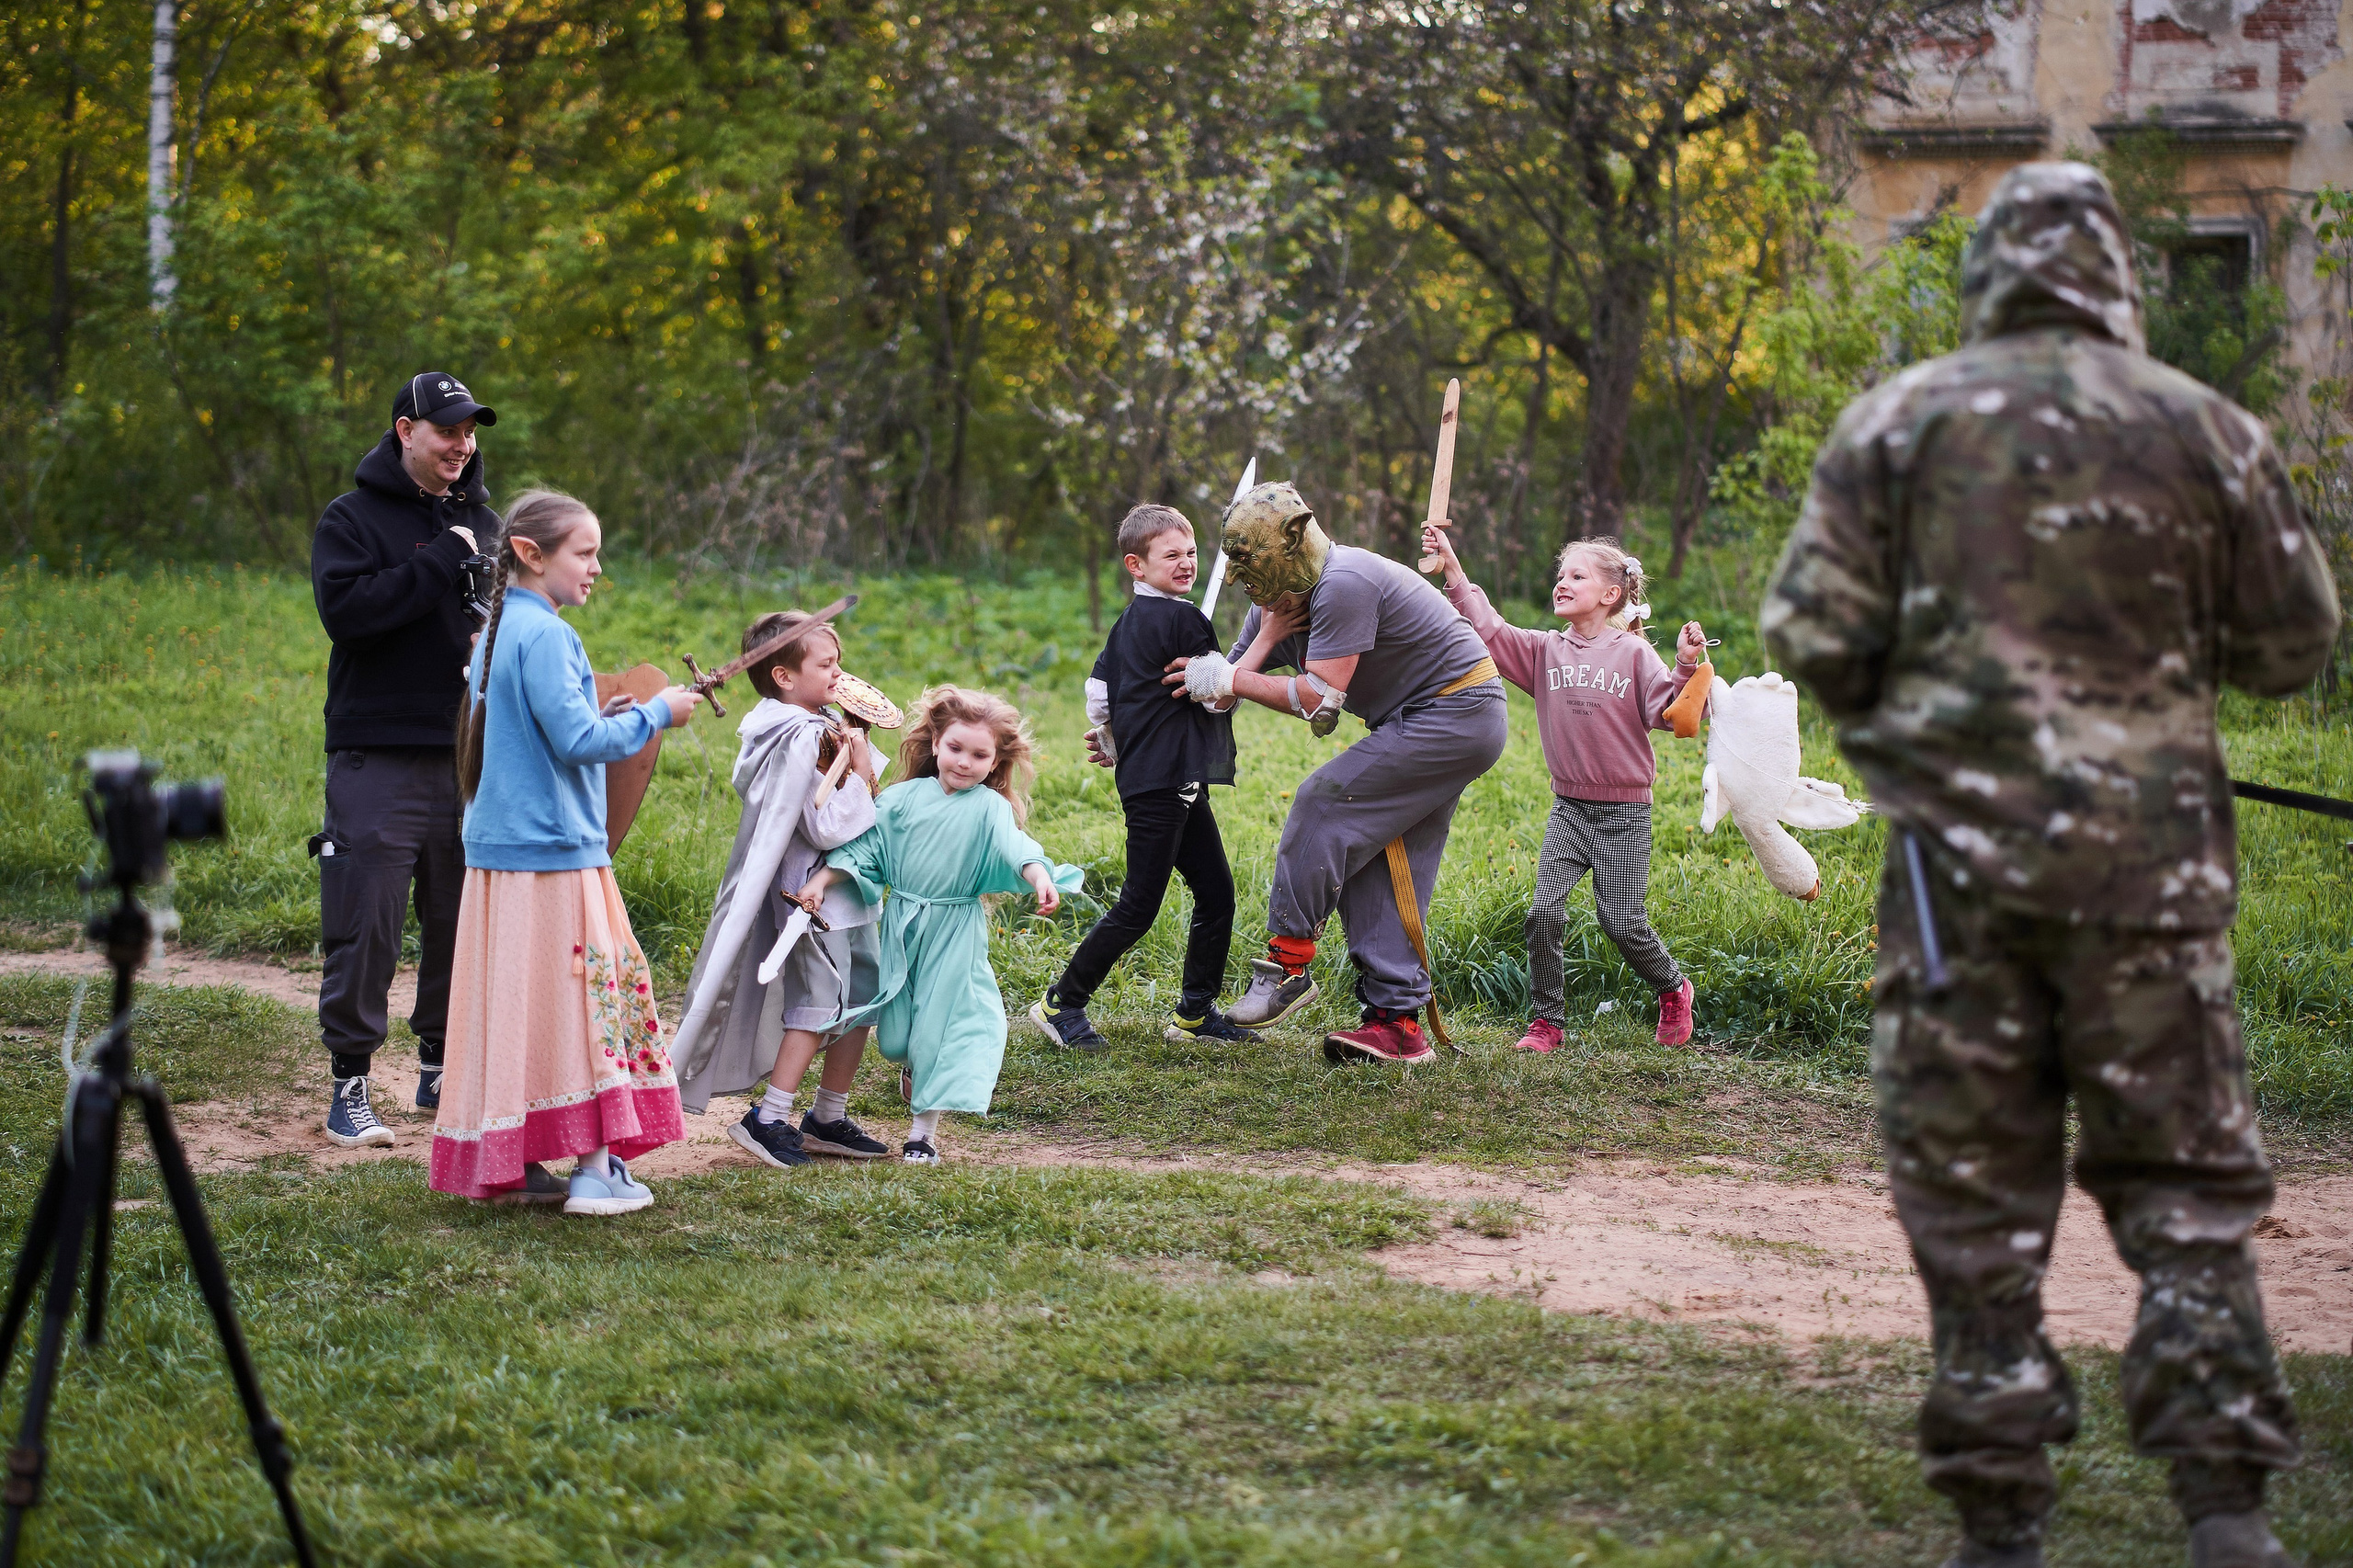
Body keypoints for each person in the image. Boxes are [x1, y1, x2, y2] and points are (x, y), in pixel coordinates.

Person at [1761, 163, 2339, 1568]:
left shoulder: (1897, 424)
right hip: (2151, 888)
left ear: (1989, 269)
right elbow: (2294, 646)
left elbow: (1808, 633)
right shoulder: (2205, 428)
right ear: (2117, 272)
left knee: (1973, 1186)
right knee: (2187, 1187)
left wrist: (1921, 717)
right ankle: (2225, 1508)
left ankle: (1999, 1519)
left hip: (1955, 889)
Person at [428, 489, 703, 1214]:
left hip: (500, 854)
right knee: (589, 1000)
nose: (596, 567)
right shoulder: (548, 635)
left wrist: (605, 714)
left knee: (524, 1006)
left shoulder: (495, 630)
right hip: (554, 855)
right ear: (530, 553)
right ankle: (595, 1170)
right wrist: (655, 714)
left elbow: (546, 729)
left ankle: (514, 1163)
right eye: (584, 552)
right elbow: (578, 744)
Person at [1168, 482, 1506, 1065]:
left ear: (1293, 541)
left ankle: (1287, 965)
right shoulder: (1275, 601)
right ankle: (1396, 1023)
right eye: (1239, 563)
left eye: (1254, 559)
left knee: (1323, 802)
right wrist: (1136, 725)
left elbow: (1319, 700)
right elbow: (1221, 692)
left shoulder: (1345, 582)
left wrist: (1229, 680)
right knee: (1382, 857)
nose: (1248, 577)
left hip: (1458, 709)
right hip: (1420, 717)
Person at [309, 369, 501, 1148]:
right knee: (367, 921)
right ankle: (349, 1083)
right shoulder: (349, 519)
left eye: (470, 431)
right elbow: (349, 616)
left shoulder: (488, 523)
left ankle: (438, 1067)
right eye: (447, 429)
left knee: (460, 920)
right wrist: (439, 563)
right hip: (377, 753)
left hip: (468, 756)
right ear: (405, 431)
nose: (462, 444)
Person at [1424, 525, 1705, 1051]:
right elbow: (1489, 629)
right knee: (1542, 914)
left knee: (1621, 922)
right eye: (1560, 574)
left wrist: (1687, 662)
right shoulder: (1543, 651)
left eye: (1576, 575)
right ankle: (1547, 1020)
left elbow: (1673, 713)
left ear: (1610, 594)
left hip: (1625, 814)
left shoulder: (1635, 654)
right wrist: (1453, 568)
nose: (1562, 582)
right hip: (1569, 809)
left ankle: (1673, 988)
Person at [798, 687, 1082, 1163]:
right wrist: (824, 879)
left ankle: (922, 1134)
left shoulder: (989, 808)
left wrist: (1037, 875)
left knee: (939, 1029)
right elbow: (868, 848)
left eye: (979, 755)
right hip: (903, 924)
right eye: (955, 748)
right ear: (934, 745)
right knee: (895, 1037)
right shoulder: (900, 799)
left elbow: (1013, 844)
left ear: (994, 762)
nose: (965, 762)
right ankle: (913, 1066)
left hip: (956, 929)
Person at [668, 609, 893, 1167]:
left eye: (838, 661)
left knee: (861, 993)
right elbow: (823, 824)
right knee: (821, 999)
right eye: (826, 664)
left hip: (850, 881)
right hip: (809, 892)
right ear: (785, 678)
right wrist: (862, 774)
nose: (839, 674)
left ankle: (828, 1117)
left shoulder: (817, 721)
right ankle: (767, 1118)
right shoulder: (797, 736)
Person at [1029, 504, 1256, 1051]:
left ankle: (1196, 1014)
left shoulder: (1127, 623)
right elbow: (1215, 697)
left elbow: (1099, 694)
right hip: (1161, 783)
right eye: (1171, 555)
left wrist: (1113, 739)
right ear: (1136, 564)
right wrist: (1230, 680)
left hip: (1165, 776)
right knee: (1138, 903)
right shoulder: (1184, 620)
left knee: (1216, 891)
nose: (1186, 564)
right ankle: (1062, 1003)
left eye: (1192, 553)